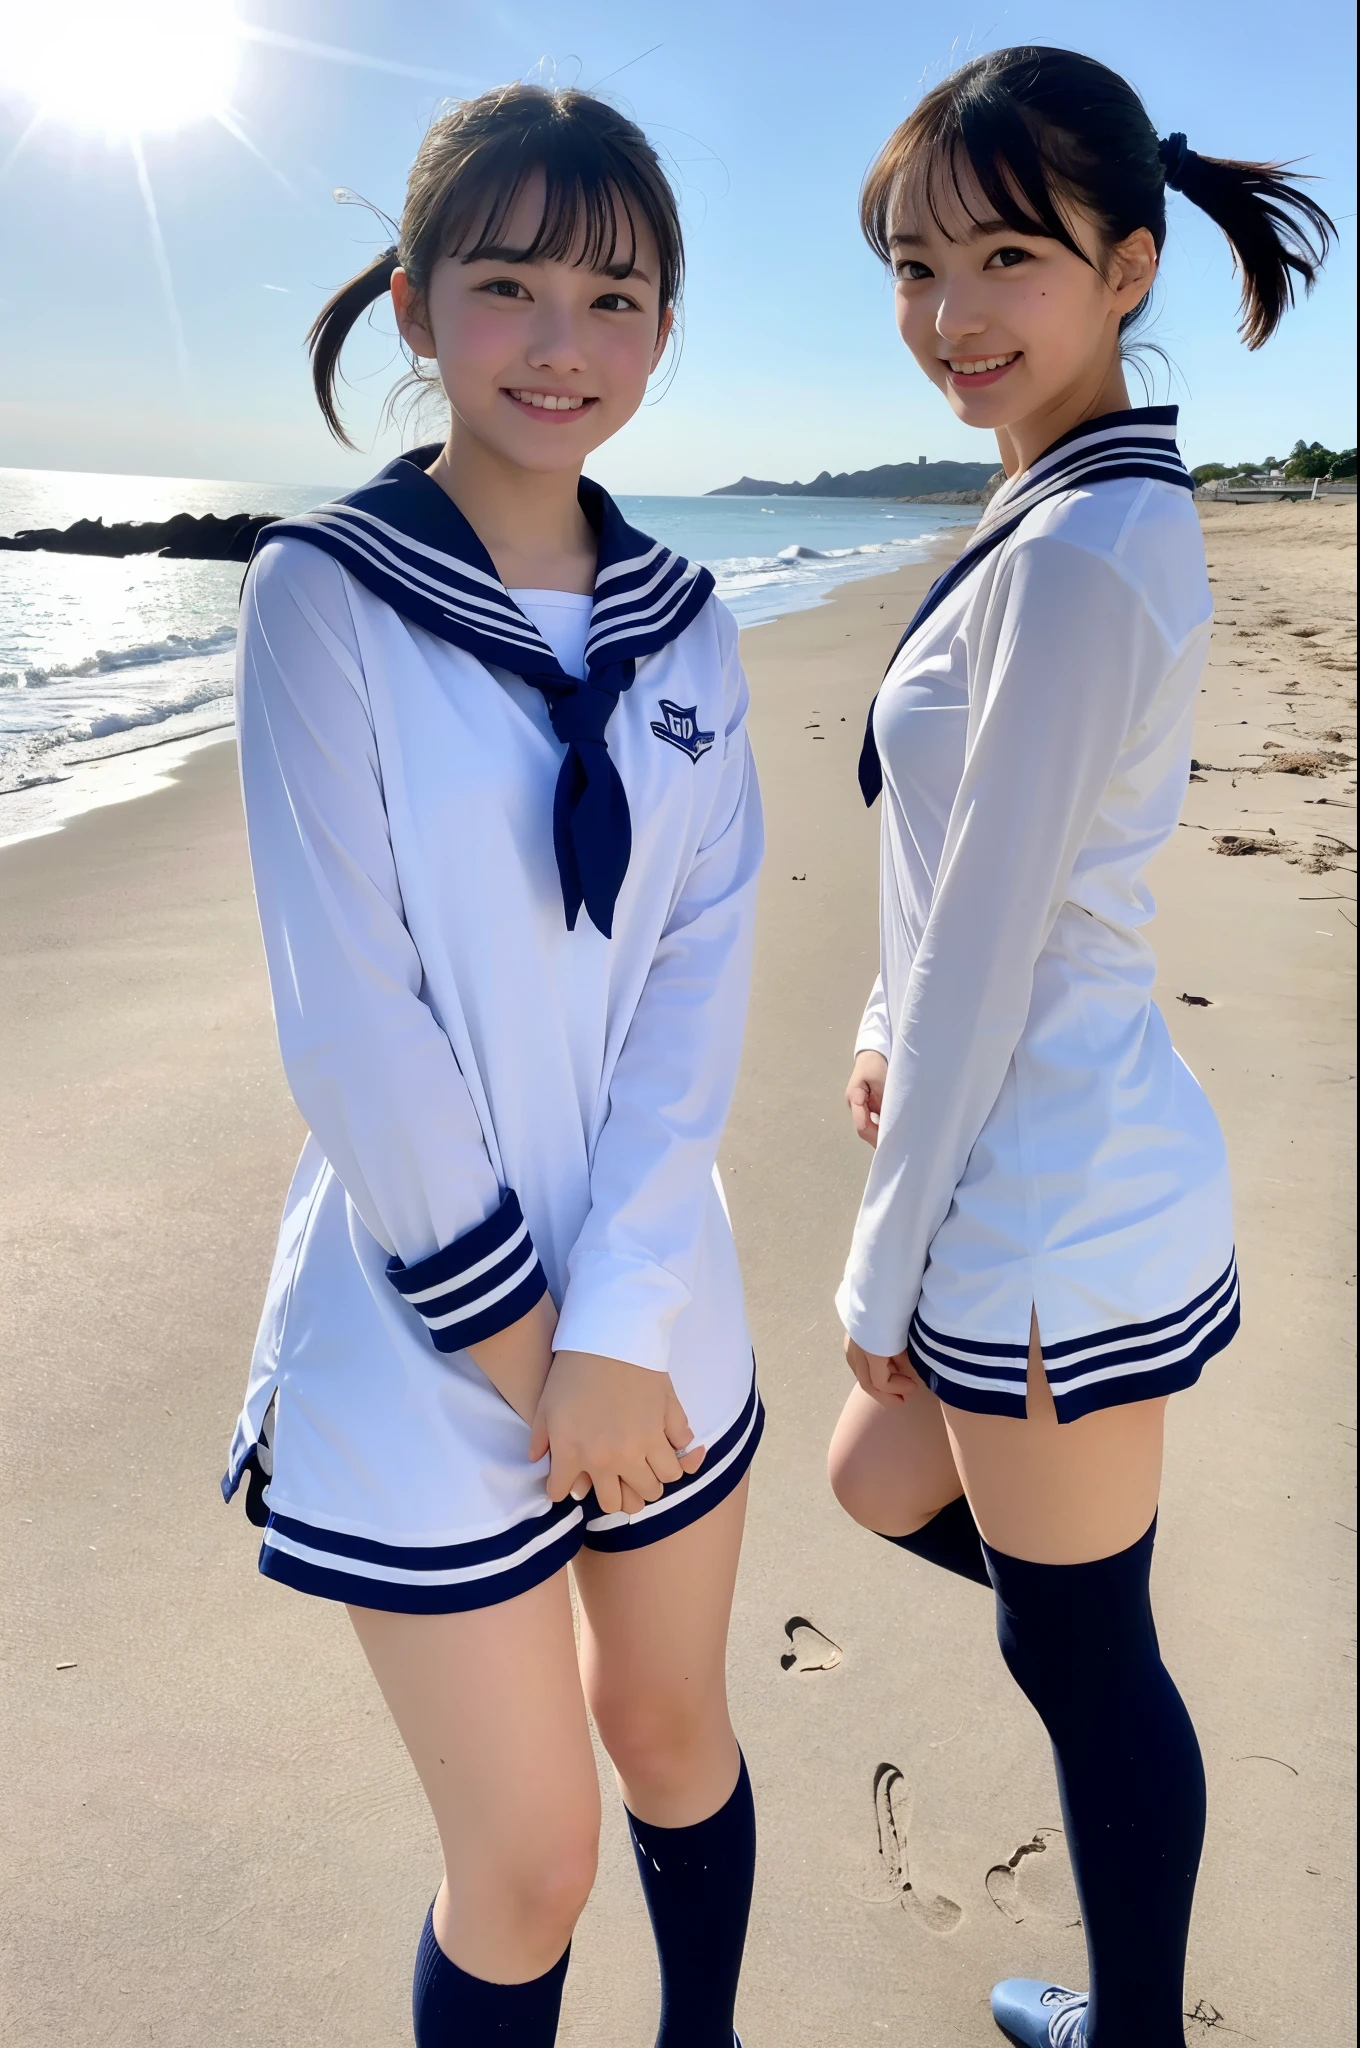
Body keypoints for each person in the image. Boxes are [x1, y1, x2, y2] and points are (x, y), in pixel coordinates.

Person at [220, 83, 763, 2048]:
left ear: (662, 334)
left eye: (612, 297)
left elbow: (697, 989)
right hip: (422, 1321)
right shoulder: (327, 599)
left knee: (672, 1736)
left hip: (653, 1296)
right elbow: (348, 1014)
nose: (560, 341)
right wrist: (534, 1350)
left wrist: (619, 1321)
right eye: (509, 282)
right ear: (413, 307)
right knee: (527, 1859)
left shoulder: (690, 629)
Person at [825, 47, 1333, 2048]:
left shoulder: (1076, 555)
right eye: (911, 264)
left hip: (1037, 1206)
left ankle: (1126, 2026)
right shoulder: (1064, 502)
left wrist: (877, 1261)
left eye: (1004, 259)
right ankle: (1093, 1601)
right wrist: (874, 1019)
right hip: (1042, 1162)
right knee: (891, 1486)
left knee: (1086, 1662)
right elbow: (958, 890)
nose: (948, 315)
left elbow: (984, 951)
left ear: (1122, 267)